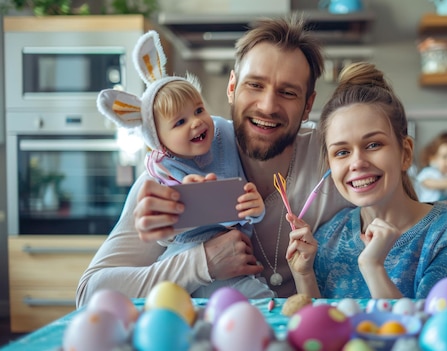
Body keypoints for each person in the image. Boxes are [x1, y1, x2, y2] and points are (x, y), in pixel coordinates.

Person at [76, 15, 351, 306]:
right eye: (255, 85)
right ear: (232, 87)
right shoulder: (176, 168)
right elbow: (90, 294)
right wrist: (202, 263)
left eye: (287, 92)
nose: (268, 106)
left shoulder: (334, 160)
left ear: (308, 105)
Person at [96, 31, 273, 298]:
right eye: (179, 122)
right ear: (159, 140)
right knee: (251, 299)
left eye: (199, 110)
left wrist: (255, 210)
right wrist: (187, 204)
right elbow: (163, 235)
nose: (196, 122)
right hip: (187, 257)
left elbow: (241, 209)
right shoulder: (162, 169)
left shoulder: (225, 133)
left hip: (236, 255)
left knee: (252, 297)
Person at [285, 62, 447, 299]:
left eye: (373, 145)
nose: (357, 162)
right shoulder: (327, 237)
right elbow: (322, 329)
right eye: (342, 152)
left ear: (406, 153)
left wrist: (373, 267)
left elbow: (436, 329)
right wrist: (304, 275)